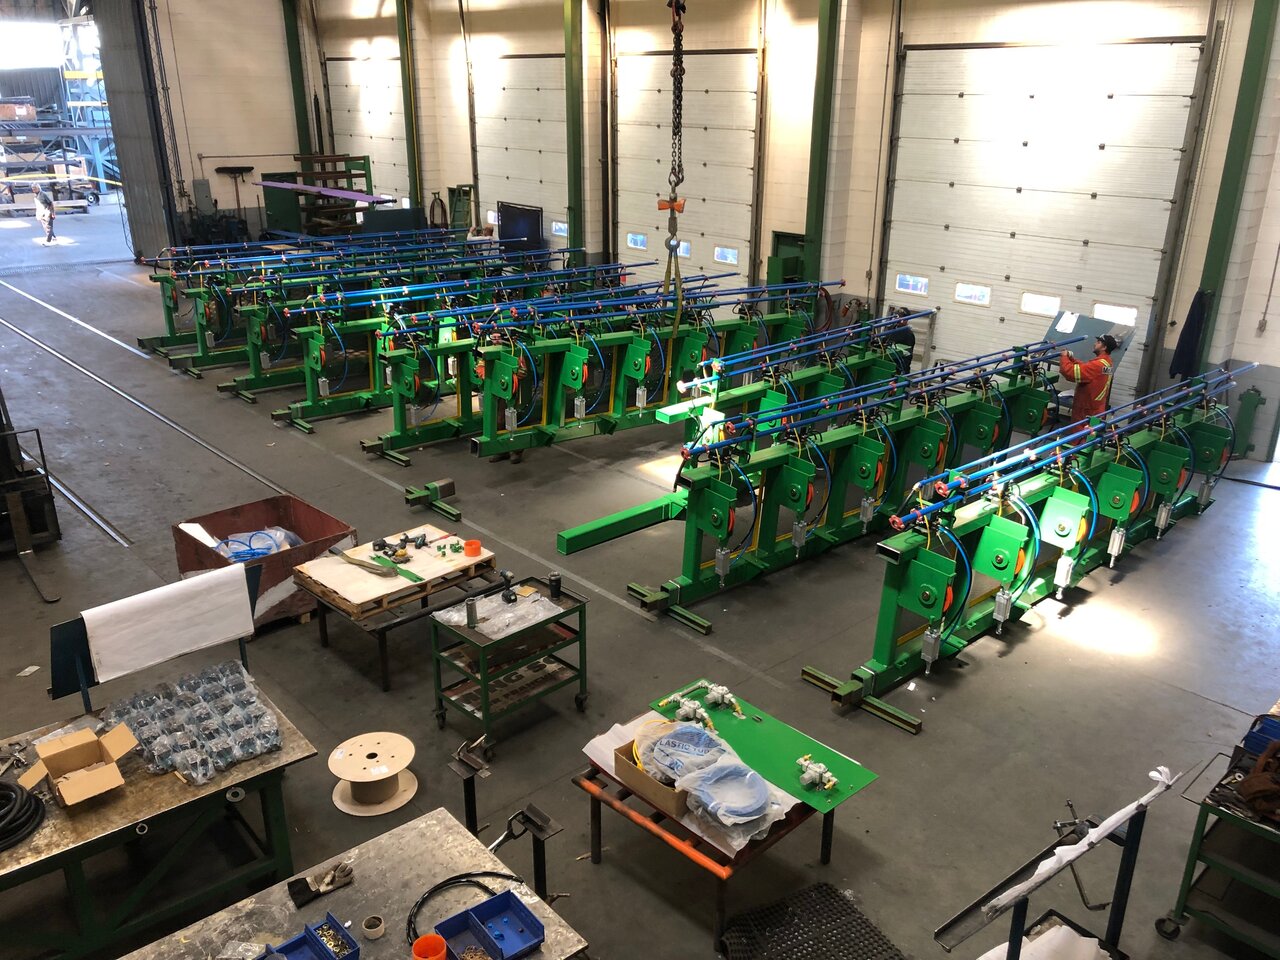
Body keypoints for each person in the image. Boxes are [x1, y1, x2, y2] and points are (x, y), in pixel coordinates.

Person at [1059, 334, 1118, 423]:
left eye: (1098, 342)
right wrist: (1071, 359)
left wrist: (1064, 357)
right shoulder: (1107, 362)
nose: (1094, 344)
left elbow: (1070, 372)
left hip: (1086, 412)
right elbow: (1086, 369)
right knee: (1093, 431)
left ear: (1104, 347)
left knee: (1080, 431)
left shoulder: (1098, 365)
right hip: (1097, 409)